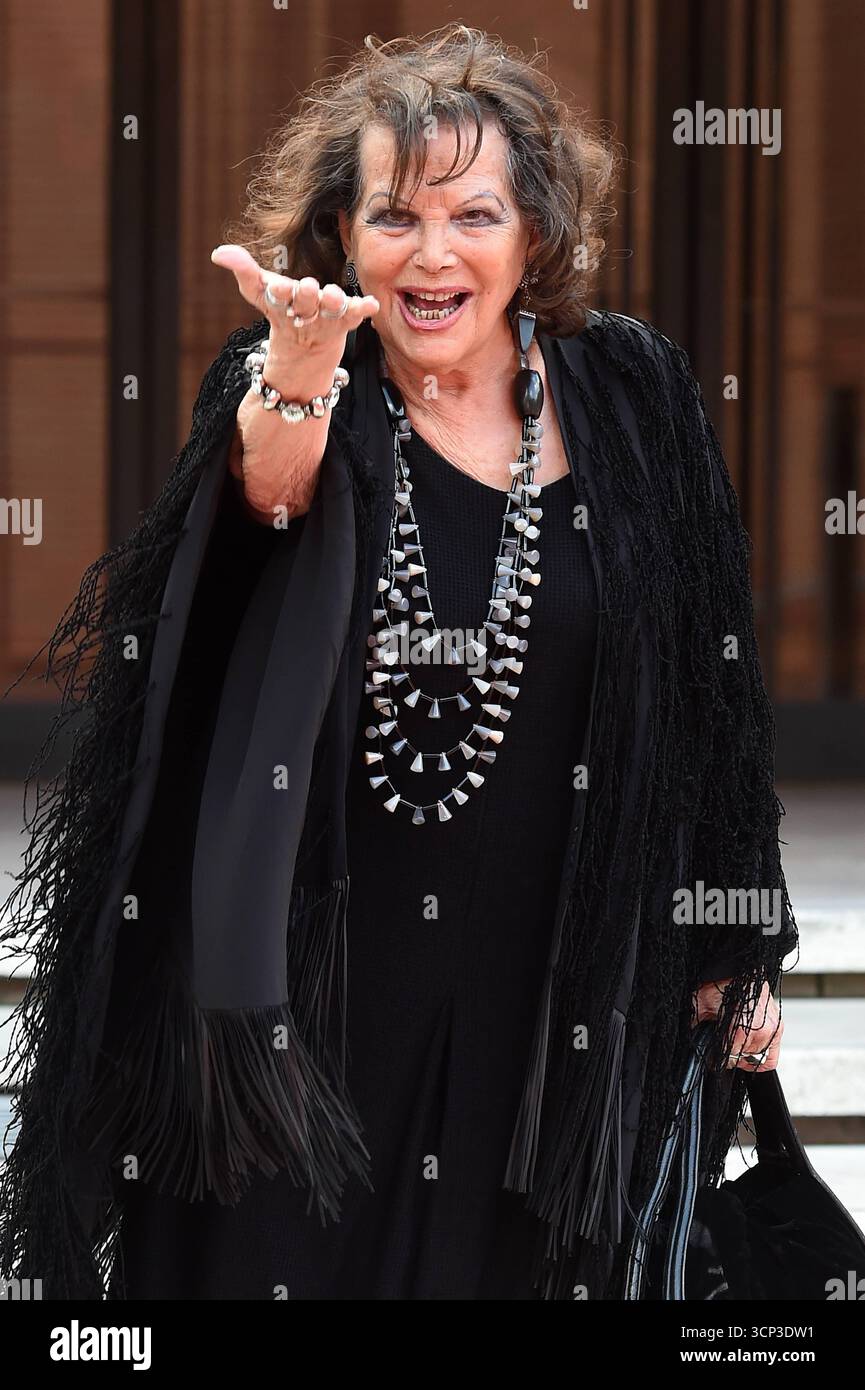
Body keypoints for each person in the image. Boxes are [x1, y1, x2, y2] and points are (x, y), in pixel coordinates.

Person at [0, 24, 796, 1302]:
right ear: (341, 236)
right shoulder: (300, 381)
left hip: (555, 973)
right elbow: (255, 524)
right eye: (393, 216)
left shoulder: (630, 388)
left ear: (534, 234)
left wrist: (734, 924)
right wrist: (299, 387)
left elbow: (712, 674)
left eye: (473, 214)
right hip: (315, 984)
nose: (433, 254)